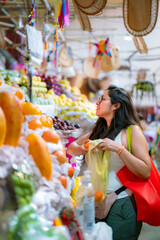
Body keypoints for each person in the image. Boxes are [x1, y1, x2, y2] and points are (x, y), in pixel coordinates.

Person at [67, 85, 151, 240]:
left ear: (116, 105)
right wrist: (85, 150)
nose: (97, 103)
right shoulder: (98, 130)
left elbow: (146, 171)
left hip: (122, 204)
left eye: (102, 99)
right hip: (97, 202)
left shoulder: (132, 131)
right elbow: (71, 148)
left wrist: (119, 149)